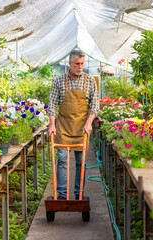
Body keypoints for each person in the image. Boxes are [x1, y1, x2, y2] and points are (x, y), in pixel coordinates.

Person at [48, 49, 99, 200]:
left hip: (81, 129)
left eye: (82, 64)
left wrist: (89, 123)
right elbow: (52, 105)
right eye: (76, 64)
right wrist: (52, 125)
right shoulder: (58, 81)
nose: (79, 67)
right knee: (62, 160)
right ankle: (62, 195)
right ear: (69, 64)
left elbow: (95, 105)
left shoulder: (89, 81)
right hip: (63, 128)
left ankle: (79, 194)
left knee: (80, 162)